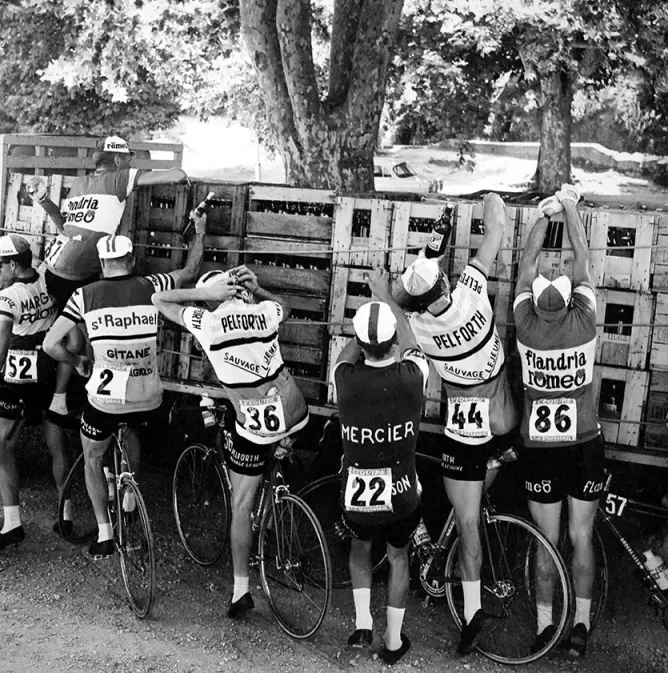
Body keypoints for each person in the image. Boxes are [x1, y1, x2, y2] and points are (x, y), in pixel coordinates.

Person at [393, 193, 519, 653]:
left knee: (466, 521)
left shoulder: (419, 328)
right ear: (446, 283)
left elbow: (402, 302)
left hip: (461, 433)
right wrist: (488, 197)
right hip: (503, 420)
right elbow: (497, 227)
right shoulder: (470, 292)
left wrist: (402, 277)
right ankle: (493, 494)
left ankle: (470, 611)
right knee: (476, 505)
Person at [42, 210, 206, 560]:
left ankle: (104, 533)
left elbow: (50, 345)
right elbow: (192, 272)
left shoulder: (84, 296)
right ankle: (129, 492)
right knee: (130, 425)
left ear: (102, 263)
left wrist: (79, 361)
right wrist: (201, 232)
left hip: (105, 399)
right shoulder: (152, 286)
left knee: (93, 455)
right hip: (149, 395)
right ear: (131, 260)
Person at [153, 266, 309, 618]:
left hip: (254, 422)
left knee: (242, 503)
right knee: (277, 443)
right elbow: (286, 306)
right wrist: (261, 289)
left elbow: (158, 298)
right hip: (296, 412)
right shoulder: (264, 312)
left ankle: (241, 590)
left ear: (214, 299)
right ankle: (278, 500)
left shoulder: (207, 323)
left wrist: (206, 296)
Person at [29, 135, 189, 421]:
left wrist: (44, 202)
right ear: (117, 160)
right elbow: (175, 174)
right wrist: (180, 176)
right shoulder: (119, 178)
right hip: (75, 272)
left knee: (80, 334)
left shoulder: (80, 185)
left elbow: (65, 225)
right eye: (128, 157)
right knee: (86, 338)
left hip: (54, 269)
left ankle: (71, 393)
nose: (131, 162)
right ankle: (68, 399)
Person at [513, 184, 604, 658]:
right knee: (580, 536)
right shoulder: (585, 319)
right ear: (570, 298)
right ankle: (582, 624)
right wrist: (568, 205)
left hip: (540, 449)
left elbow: (528, 265)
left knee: (546, 541)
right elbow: (583, 259)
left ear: (535, 300)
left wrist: (542, 216)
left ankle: (545, 625)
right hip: (584, 442)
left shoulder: (525, 324)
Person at [332, 269, 429, 664]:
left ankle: (361, 621)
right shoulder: (413, 376)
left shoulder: (345, 379)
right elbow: (409, 338)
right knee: (398, 556)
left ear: (359, 342)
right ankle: (392, 641)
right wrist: (386, 296)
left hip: (356, 495)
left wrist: (366, 321)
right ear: (391, 342)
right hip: (403, 494)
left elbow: (350, 354)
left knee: (360, 546)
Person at [0, 235, 71, 553]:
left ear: (14, 264)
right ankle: (67, 515)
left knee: (1, 446)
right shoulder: (47, 278)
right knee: (56, 443)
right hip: (49, 375)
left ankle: (12, 525)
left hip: (18, 384)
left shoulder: (8, 298)